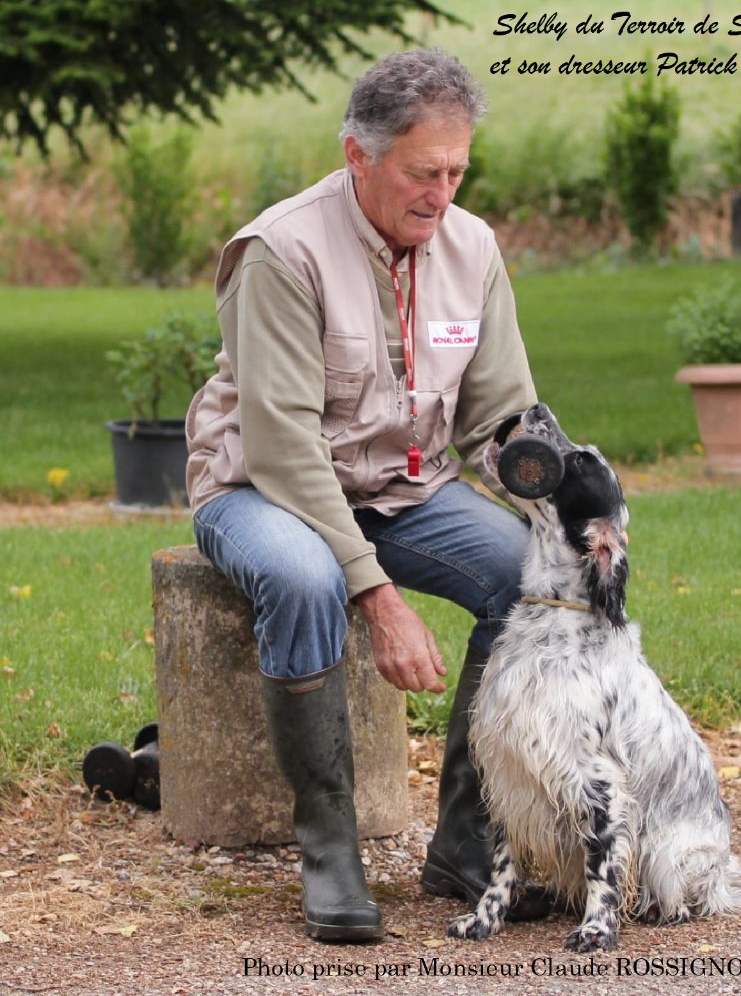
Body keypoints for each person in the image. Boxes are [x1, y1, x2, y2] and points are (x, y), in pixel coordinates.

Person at [185, 48, 547, 942]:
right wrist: (376, 596)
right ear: (358, 155)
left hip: (403, 488)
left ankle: (466, 841)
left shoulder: (471, 247)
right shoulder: (282, 251)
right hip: (261, 489)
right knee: (307, 580)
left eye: (457, 170)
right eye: (423, 172)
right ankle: (330, 853)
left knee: (533, 574)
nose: (443, 193)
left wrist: (565, 506)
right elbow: (281, 444)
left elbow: (500, 415)